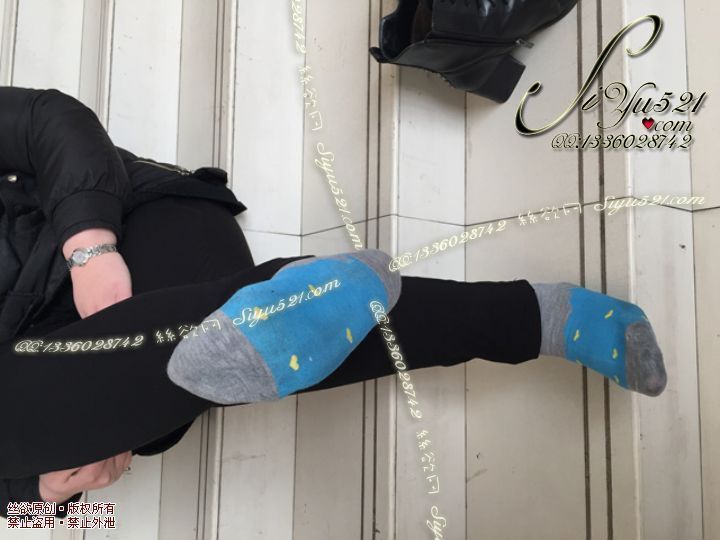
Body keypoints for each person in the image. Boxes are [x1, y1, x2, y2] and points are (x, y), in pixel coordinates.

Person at [0, 86, 667, 520]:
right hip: (80, 390)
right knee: (193, 355)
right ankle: (539, 316)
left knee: (208, 347)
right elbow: (20, 505)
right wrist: (45, 496)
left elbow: (50, 120)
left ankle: (536, 319)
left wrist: (89, 246)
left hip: (142, 240)